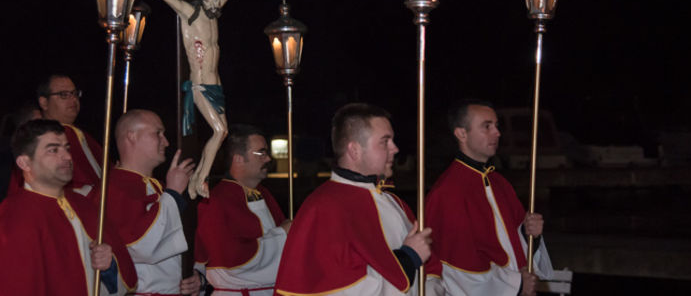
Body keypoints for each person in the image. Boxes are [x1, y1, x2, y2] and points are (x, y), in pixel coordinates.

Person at [0, 119, 136, 296]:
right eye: (53, 150)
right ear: (24, 163)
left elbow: (104, 282)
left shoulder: (84, 206)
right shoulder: (14, 216)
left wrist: (109, 267)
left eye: (67, 148)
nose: (68, 157)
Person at [275, 103, 432, 295]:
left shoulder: (393, 202)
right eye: (385, 141)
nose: (395, 149)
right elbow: (338, 289)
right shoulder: (324, 208)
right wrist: (409, 258)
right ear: (355, 150)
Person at [142, 0, 256, 198]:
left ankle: (197, 178)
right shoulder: (191, 14)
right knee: (219, 131)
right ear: (203, 0)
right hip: (200, 84)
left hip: (216, 85)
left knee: (222, 132)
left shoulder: (214, 13)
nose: (217, 3)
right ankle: (200, 179)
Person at [424, 99, 553, 296]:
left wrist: (531, 235)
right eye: (487, 126)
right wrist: (516, 284)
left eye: (496, 126)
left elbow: (515, 248)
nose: (497, 133)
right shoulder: (447, 192)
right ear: (461, 133)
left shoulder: (499, 183)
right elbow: (458, 268)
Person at [92, 109, 200, 295]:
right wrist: (173, 194)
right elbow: (142, 247)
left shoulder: (161, 187)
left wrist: (197, 277)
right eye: (158, 133)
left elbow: (186, 247)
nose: (166, 142)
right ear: (132, 136)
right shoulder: (113, 189)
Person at [194, 124, 289, 296]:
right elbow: (232, 258)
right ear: (238, 159)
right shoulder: (216, 201)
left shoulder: (263, 193)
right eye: (261, 153)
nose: (268, 159)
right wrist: (282, 234)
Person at [9, 74, 103, 192]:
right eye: (64, 95)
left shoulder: (79, 133)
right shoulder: (44, 136)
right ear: (44, 102)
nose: (73, 99)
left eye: (74, 94)